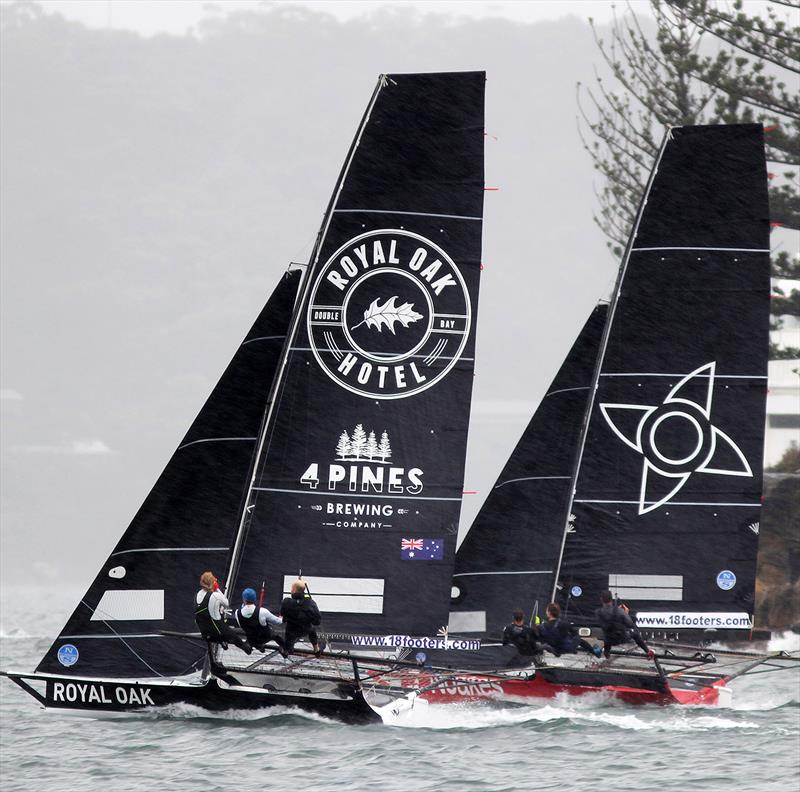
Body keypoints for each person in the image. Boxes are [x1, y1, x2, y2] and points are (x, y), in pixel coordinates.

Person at [194, 571, 252, 654]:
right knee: (236, 638)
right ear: (212, 583)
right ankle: (247, 649)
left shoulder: (197, 594)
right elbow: (226, 603)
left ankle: (222, 641)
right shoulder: (215, 595)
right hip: (218, 632)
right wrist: (217, 588)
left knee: (218, 625)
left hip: (205, 634)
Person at [594, 590, 655, 660]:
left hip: (608, 640)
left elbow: (606, 622)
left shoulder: (598, 612)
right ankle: (647, 651)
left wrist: (617, 613)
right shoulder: (620, 611)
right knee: (635, 633)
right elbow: (630, 624)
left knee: (607, 634)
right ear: (611, 599)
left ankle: (607, 653)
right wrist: (625, 613)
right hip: (621, 638)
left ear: (601, 599)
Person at [537, 602, 602, 657]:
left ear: (548, 613)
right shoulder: (564, 623)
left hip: (552, 649)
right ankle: (595, 652)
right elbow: (575, 634)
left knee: (544, 640)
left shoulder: (542, 626)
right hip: (565, 649)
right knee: (578, 638)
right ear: (558, 612)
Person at [235, 587, 287, 656]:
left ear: (243, 599)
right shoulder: (262, 611)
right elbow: (278, 622)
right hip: (265, 637)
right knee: (276, 635)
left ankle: (258, 646)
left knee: (251, 636)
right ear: (255, 599)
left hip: (251, 639)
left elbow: (242, 625)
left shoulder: (237, 613)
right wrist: (284, 617)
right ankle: (285, 649)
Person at [280, 579, 322, 656]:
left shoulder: (286, 602)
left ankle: (286, 649)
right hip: (306, 629)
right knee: (312, 630)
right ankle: (316, 648)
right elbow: (317, 621)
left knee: (288, 635)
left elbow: (283, 615)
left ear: (294, 589)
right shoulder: (310, 603)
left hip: (291, 631)